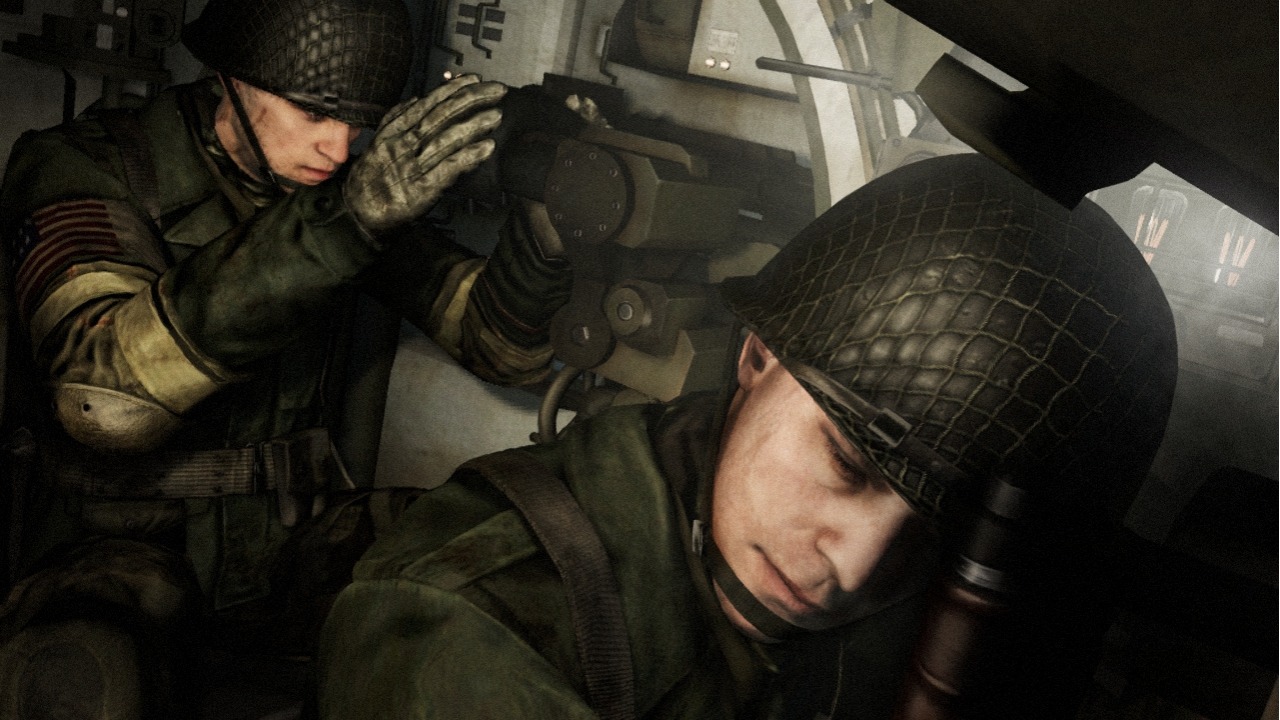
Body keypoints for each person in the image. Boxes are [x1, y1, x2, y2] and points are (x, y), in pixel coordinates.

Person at [315, 152, 1181, 719]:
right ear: (757, 356)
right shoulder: (466, 629)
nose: (855, 566)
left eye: (930, 536)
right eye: (846, 462)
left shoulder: (932, 622)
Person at [0, 0, 575, 716]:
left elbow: (502, 348)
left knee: (499, 566)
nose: (337, 147)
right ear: (234, 78)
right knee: (91, 673)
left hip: (287, 547)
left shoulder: (334, 196)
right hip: (115, 545)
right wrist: (346, 222)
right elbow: (101, 401)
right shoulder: (88, 165)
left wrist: (544, 230)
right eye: (312, 113)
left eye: (357, 124)